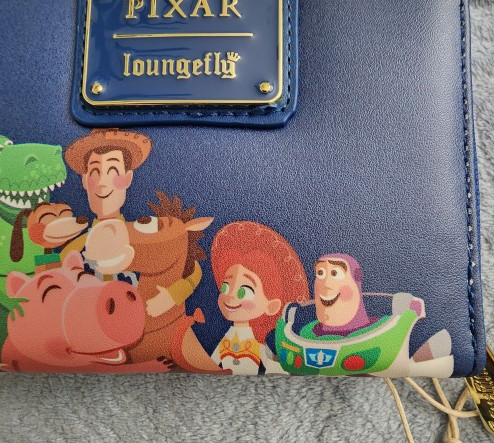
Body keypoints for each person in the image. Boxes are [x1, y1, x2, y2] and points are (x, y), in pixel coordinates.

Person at [61, 128, 201, 315]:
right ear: (85, 180)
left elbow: (191, 267)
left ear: (127, 178)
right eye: (95, 171)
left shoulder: (142, 235)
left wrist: (173, 295)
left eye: (113, 170)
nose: (102, 183)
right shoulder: (73, 251)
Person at [210, 221, 310, 375]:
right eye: (225, 288)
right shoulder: (227, 338)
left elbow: (271, 365)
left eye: (244, 291)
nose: (230, 296)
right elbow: (211, 363)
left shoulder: (257, 345)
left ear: (272, 306)